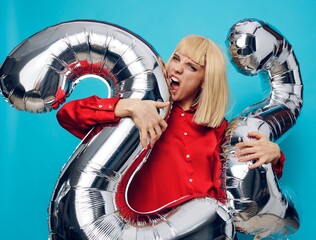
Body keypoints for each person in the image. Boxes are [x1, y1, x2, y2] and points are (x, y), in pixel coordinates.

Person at [57, 35, 285, 222]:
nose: (176, 69)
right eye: (176, 58)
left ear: (204, 81)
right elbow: (68, 116)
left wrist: (274, 157)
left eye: (191, 67)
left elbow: (241, 182)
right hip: (145, 232)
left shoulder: (219, 129)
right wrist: (126, 106)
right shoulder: (144, 111)